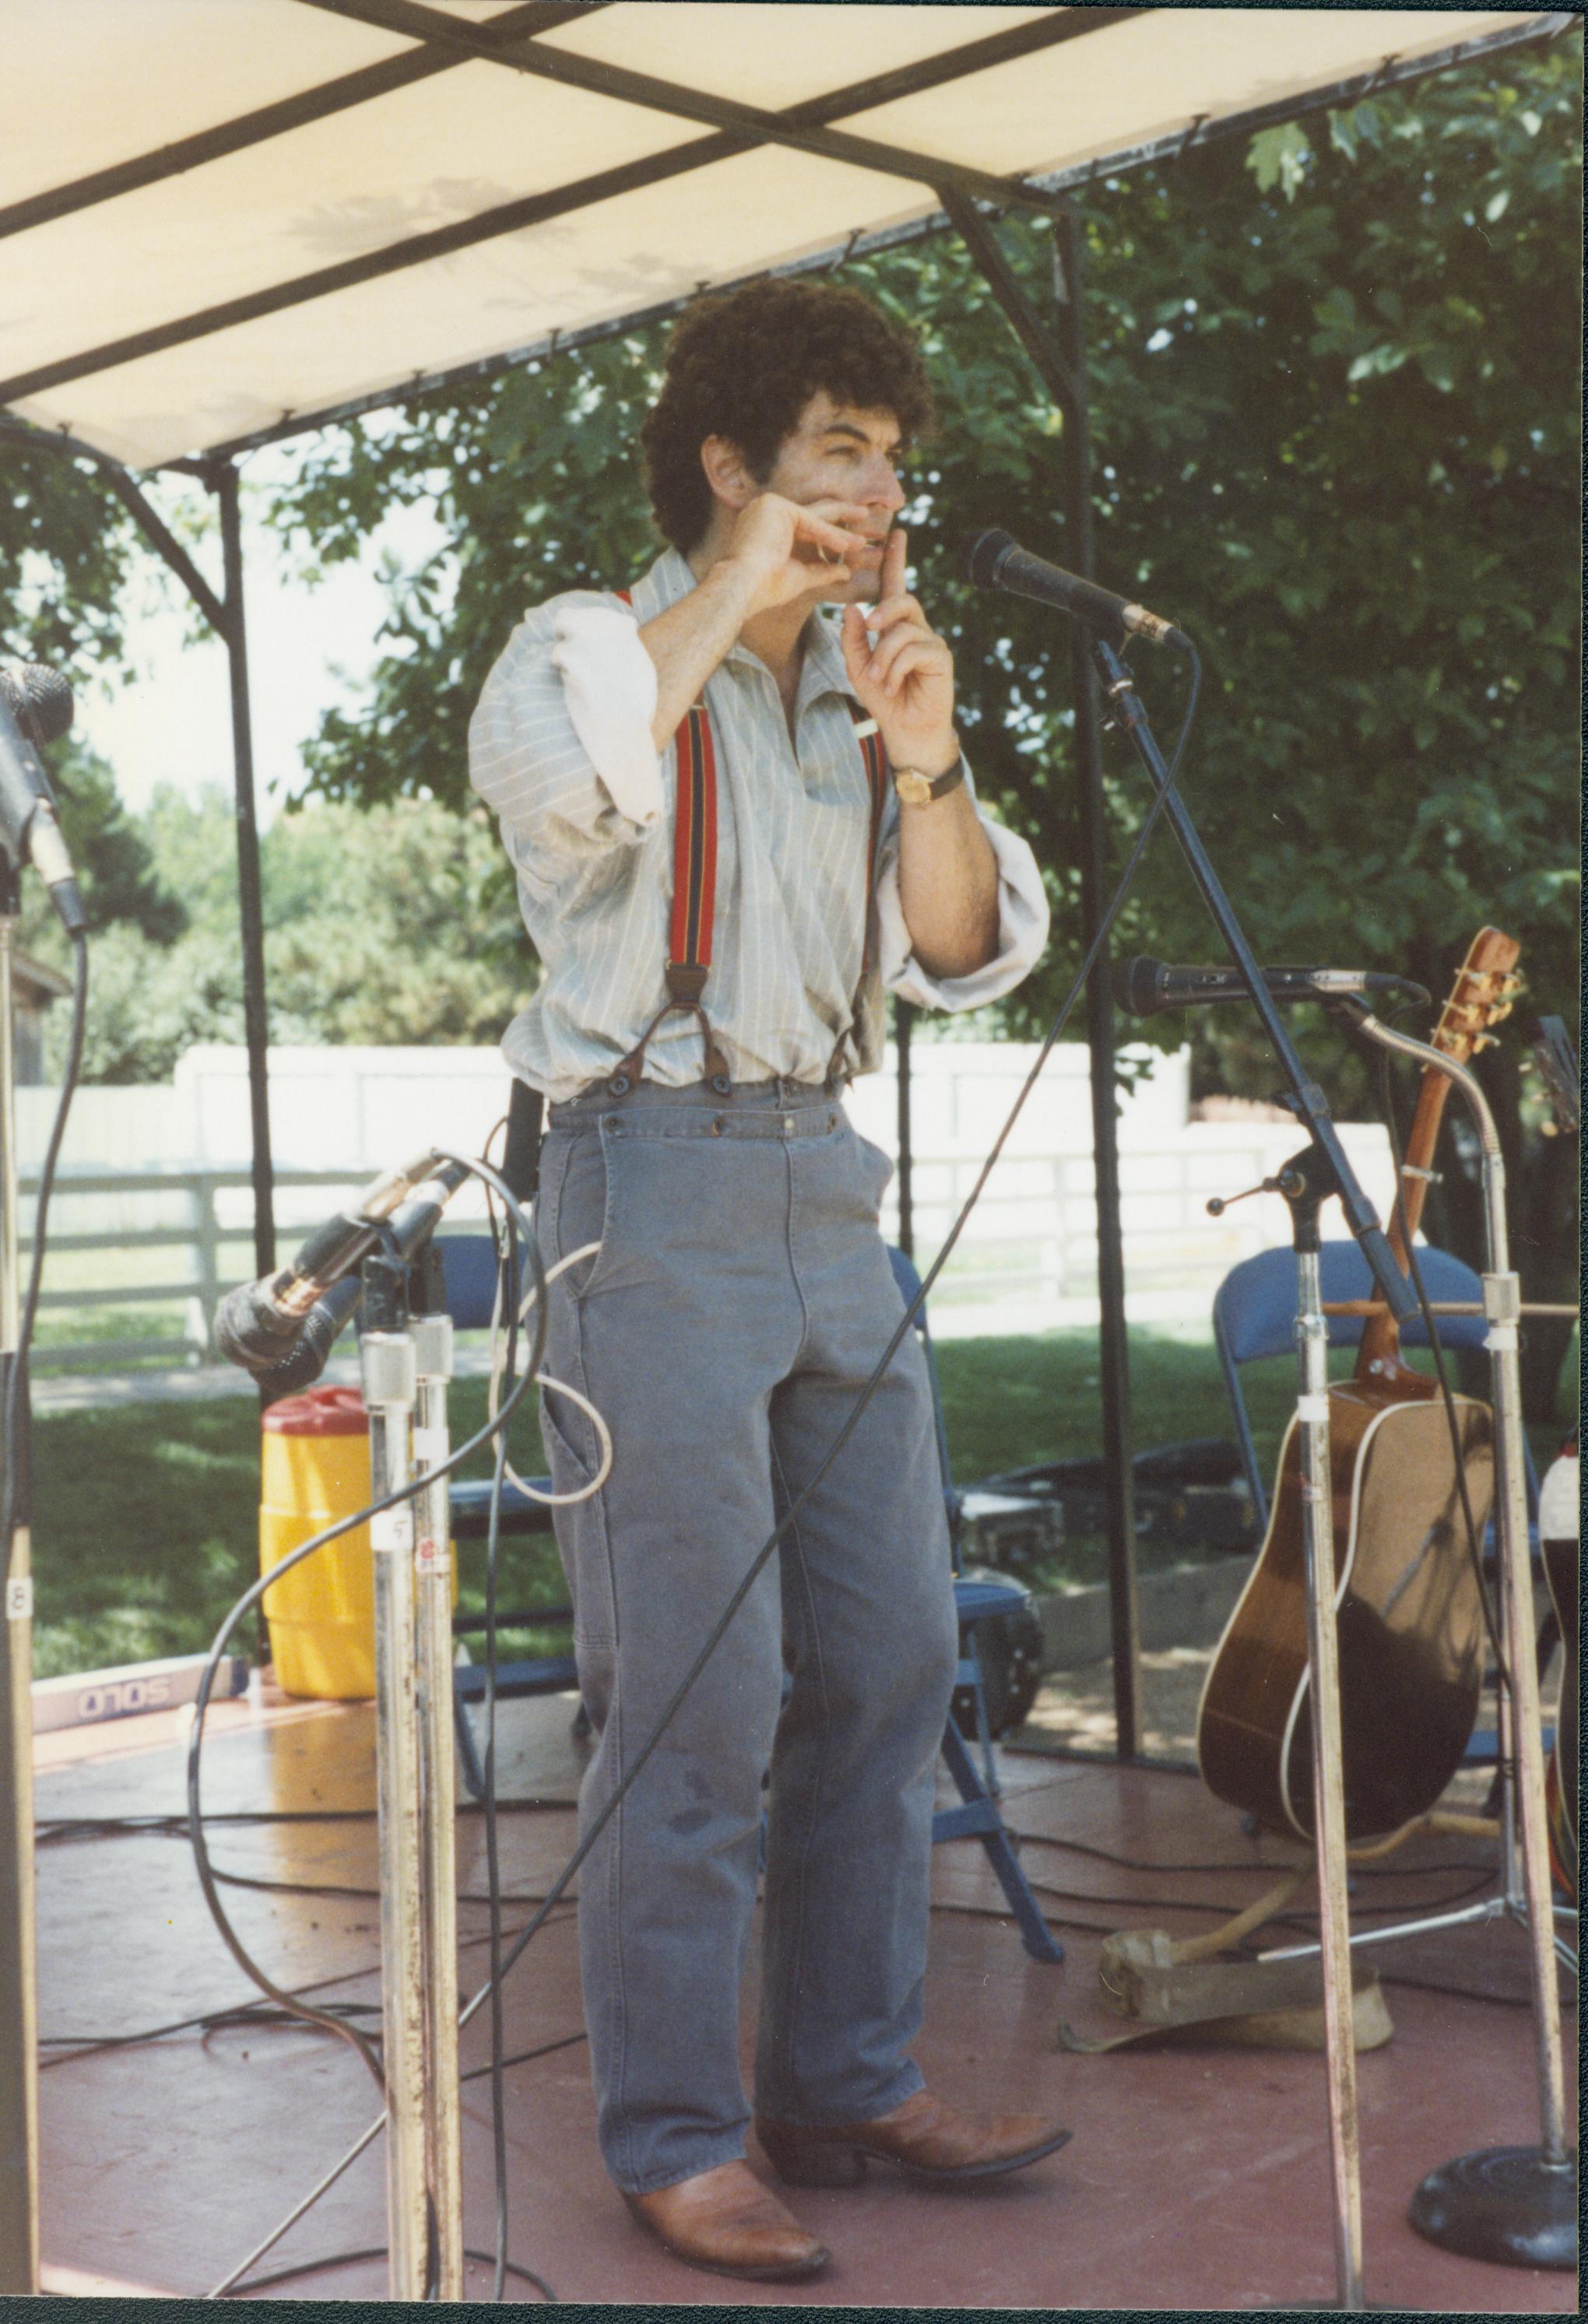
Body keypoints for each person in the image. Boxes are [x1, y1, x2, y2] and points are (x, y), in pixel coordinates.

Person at [469, 278, 1063, 2283]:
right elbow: (573, 802)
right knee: (698, 1697)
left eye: (897, 461)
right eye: (841, 455)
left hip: (835, 1181)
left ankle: (846, 2072)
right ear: (733, 467)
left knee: (892, 1661)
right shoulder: (584, 654)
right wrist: (736, 592)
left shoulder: (865, 684)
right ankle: (677, 2131)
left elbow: (971, 951)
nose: (885, 496)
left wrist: (928, 757)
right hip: (649, 1183)